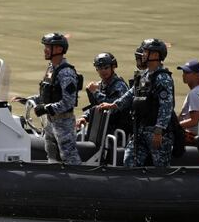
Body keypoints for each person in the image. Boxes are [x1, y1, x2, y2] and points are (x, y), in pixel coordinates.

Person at [99, 38, 175, 167]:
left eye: (146, 52)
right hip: (140, 129)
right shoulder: (143, 76)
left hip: (155, 131)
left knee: (160, 166)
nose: (143, 54)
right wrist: (114, 105)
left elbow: (166, 106)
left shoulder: (163, 78)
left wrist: (159, 130)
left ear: (156, 55)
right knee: (129, 161)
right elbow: (130, 94)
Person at [34, 32, 82, 165]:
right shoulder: (51, 69)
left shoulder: (66, 73)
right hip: (51, 121)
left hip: (63, 122)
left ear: (59, 49)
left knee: (69, 155)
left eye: (48, 47)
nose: (45, 50)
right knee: (51, 152)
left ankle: (78, 179)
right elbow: (48, 93)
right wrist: (31, 100)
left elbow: (68, 102)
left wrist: (45, 108)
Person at [76, 52, 130, 134]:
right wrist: (85, 116)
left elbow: (113, 108)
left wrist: (96, 92)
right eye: (100, 68)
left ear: (113, 67)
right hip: (101, 127)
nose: (103, 71)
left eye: (106, 67)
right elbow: (96, 107)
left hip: (116, 130)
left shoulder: (119, 86)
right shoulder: (101, 85)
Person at [176, 59, 199, 145]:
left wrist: (176, 126)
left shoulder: (194, 93)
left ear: (197, 75)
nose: (183, 75)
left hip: (194, 136)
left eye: (187, 73)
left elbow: (194, 120)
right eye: (183, 72)